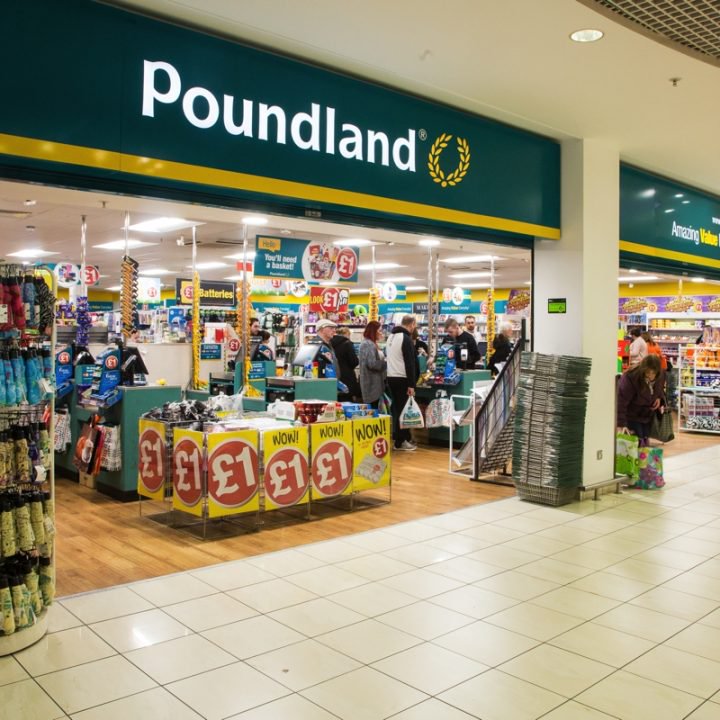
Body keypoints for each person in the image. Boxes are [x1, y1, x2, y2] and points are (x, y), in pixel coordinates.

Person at [617, 354, 665, 446]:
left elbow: (660, 388)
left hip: (647, 416)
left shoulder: (660, 375)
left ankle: (643, 455)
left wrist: (659, 397)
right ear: (643, 369)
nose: (651, 376)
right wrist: (621, 424)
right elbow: (621, 402)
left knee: (644, 442)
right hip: (632, 416)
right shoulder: (631, 377)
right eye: (648, 373)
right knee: (636, 444)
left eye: (653, 373)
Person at [386, 315, 418, 451]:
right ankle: (401, 441)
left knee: (397, 409)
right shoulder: (405, 338)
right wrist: (412, 384)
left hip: (391, 377)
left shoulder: (390, 337)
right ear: (412, 324)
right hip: (402, 378)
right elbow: (410, 363)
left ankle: (400, 438)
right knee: (404, 411)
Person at [358, 321, 386, 408]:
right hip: (371, 384)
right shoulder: (368, 344)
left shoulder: (371, 343)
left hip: (375, 384)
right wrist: (385, 363)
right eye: (379, 330)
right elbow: (372, 364)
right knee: (373, 409)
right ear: (373, 331)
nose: (381, 333)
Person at [331, 327, 361, 400]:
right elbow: (354, 362)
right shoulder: (347, 344)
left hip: (334, 375)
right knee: (347, 398)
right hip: (347, 377)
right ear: (346, 334)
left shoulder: (330, 343)